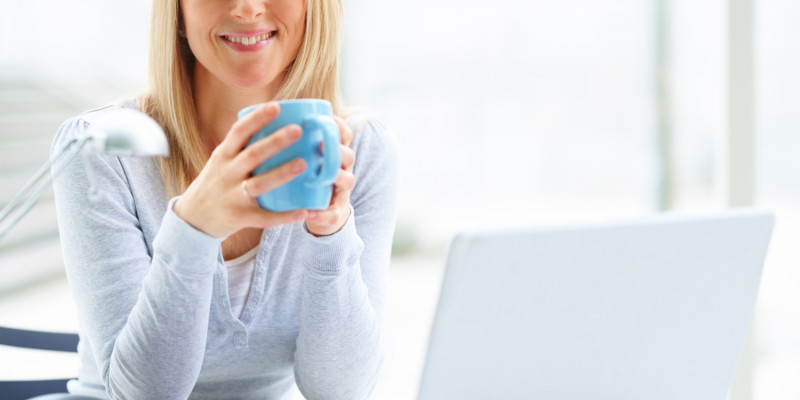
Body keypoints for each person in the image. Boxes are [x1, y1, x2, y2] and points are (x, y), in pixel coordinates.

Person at [50, 0, 398, 398]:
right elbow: (145, 394)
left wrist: (331, 236)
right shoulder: (103, 148)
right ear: (178, 14)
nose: (247, 8)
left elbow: (340, 390)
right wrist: (193, 229)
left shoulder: (361, 148)